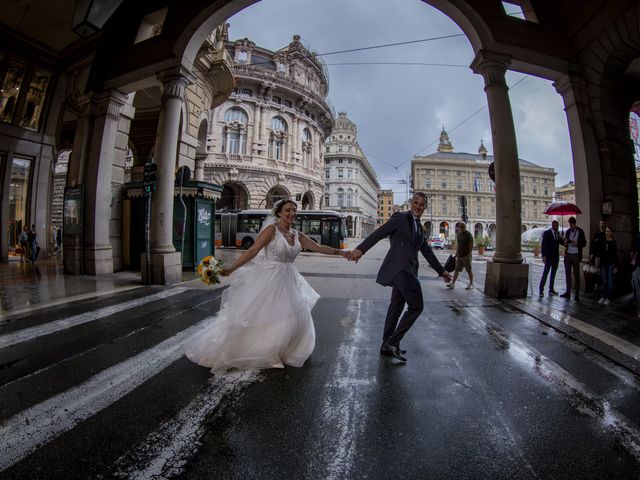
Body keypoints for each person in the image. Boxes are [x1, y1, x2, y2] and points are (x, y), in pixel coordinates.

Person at [185, 199, 350, 372]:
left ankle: (286, 349)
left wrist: (341, 253)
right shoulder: (271, 230)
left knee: (293, 316)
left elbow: (317, 247)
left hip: (290, 280)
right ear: (279, 212)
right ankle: (264, 351)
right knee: (269, 315)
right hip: (270, 279)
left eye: (294, 210)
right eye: (288, 210)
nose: (292, 213)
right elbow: (252, 250)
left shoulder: (297, 234)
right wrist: (231, 269)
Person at [349, 192, 452, 362]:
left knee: (396, 308)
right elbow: (379, 233)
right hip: (401, 270)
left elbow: (427, 251)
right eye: (415, 203)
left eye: (421, 204)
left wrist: (442, 272)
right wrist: (360, 249)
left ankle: (386, 345)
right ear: (411, 203)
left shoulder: (419, 226)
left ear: (425, 207)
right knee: (417, 306)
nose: (418, 206)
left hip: (408, 271)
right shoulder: (400, 218)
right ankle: (393, 342)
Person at [560, 216, 587, 300]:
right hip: (568, 255)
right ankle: (568, 292)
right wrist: (564, 241)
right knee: (567, 274)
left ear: (575, 224)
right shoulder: (567, 232)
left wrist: (577, 243)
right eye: (570, 225)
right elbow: (565, 243)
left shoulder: (580, 231)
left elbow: (584, 243)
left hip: (576, 255)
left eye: (572, 225)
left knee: (576, 275)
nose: (571, 227)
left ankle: (577, 294)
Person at [446, 221, 474, 290]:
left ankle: (471, 284)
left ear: (465, 227)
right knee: (456, 270)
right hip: (459, 255)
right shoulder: (458, 234)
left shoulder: (468, 234)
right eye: (461, 227)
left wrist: (468, 255)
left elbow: (471, 245)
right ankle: (453, 283)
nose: (462, 228)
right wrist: (456, 254)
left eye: (463, 226)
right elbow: (458, 245)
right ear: (459, 227)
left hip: (466, 256)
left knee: (469, 270)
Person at [539, 220, 562, 296]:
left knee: (553, 274)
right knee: (545, 273)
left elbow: (560, 242)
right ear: (552, 225)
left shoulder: (558, 233)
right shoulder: (547, 233)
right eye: (556, 226)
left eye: (558, 226)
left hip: (555, 257)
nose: (557, 227)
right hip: (548, 257)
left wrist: (562, 238)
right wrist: (543, 256)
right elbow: (543, 245)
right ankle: (541, 290)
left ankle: (551, 289)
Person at [597, 226, 618, 306]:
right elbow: (600, 253)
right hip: (603, 264)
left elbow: (615, 255)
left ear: (611, 233)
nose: (607, 233)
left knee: (610, 282)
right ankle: (603, 296)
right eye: (606, 231)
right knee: (604, 281)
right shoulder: (603, 241)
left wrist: (616, 266)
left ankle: (608, 298)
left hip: (610, 264)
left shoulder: (613, 242)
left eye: (608, 231)